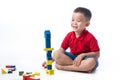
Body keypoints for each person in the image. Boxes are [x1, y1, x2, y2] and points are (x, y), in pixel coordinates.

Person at [42, 7, 100, 73]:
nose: (74, 23)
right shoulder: (69, 35)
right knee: (56, 54)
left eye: (78, 21)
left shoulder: (90, 37)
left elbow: (97, 54)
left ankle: (64, 67)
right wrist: (50, 60)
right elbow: (61, 50)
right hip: (72, 58)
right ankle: (81, 68)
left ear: (87, 24)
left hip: (85, 58)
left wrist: (82, 55)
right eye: (73, 20)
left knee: (91, 62)